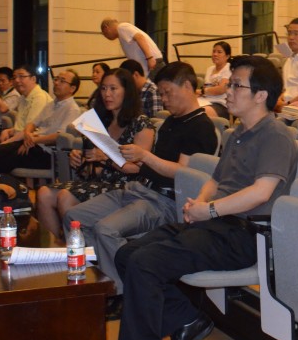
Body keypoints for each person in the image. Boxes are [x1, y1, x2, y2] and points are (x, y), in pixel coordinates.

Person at [106, 56, 298, 340]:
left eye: (236, 85)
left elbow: (260, 192)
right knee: (127, 254)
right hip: (217, 224)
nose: (228, 91)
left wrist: (209, 211)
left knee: (145, 262)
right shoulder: (239, 132)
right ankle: (187, 319)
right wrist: (201, 204)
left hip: (244, 233)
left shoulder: (275, 135)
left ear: (260, 95)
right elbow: (217, 179)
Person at [64, 62, 219, 293]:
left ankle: (122, 291)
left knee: (105, 230)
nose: (164, 100)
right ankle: (101, 278)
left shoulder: (200, 127)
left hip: (165, 201)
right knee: (73, 216)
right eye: (161, 94)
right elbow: (141, 166)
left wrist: (144, 156)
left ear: (187, 86)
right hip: (139, 189)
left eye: (168, 93)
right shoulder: (171, 121)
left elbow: (182, 173)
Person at [35, 68, 155, 241]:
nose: (107, 94)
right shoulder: (101, 121)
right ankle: (57, 250)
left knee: (64, 197)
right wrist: (79, 158)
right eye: (104, 88)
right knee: (44, 193)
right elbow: (89, 168)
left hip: (128, 187)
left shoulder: (141, 123)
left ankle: (81, 253)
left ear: (127, 92)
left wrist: (105, 156)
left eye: (113, 89)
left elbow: (136, 169)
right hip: (99, 180)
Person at [0, 69, 82, 175]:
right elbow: (32, 124)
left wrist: (33, 140)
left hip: (47, 152)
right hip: (33, 144)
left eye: (62, 81)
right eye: (56, 79)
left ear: (72, 88)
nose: (56, 83)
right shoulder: (51, 104)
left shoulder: (72, 109)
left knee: (1, 157)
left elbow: (60, 136)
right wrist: (28, 135)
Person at [0, 65, 53, 143]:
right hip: (19, 139)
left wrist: (5, 144)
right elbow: (21, 128)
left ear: (33, 79)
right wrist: (8, 131)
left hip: (32, 142)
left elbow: (29, 131)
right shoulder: (22, 98)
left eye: (21, 76)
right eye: (14, 77)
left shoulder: (39, 98)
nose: (17, 80)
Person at [101, 17, 165, 77]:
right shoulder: (121, 31)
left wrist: (150, 58)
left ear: (106, 28)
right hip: (149, 64)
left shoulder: (121, 27)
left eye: (104, 34)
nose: (106, 37)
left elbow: (140, 38)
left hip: (152, 63)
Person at [198, 41, 232, 119]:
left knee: (199, 113)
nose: (215, 54)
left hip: (221, 104)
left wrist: (202, 91)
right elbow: (207, 87)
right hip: (206, 101)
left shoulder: (229, 68)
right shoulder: (209, 69)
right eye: (214, 51)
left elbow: (221, 89)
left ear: (227, 56)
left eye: (219, 52)